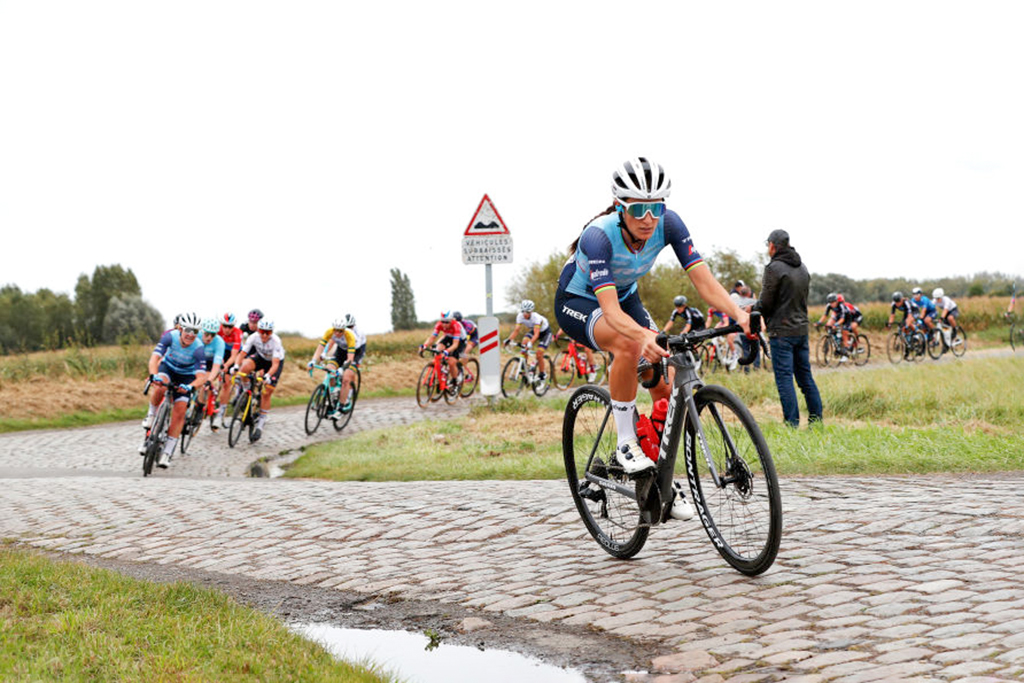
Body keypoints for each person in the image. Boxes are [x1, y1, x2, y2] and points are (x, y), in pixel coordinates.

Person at [555, 157, 750, 522]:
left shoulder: (669, 224)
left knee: (668, 384)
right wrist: (641, 335)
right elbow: (612, 315)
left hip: (625, 295)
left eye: (656, 207)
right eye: (639, 208)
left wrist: (738, 314)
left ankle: (660, 481)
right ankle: (626, 442)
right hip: (580, 301)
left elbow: (704, 281)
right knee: (629, 345)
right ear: (620, 207)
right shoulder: (597, 237)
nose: (649, 217)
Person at [755, 229, 822, 428]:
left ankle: (791, 425)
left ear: (773, 245)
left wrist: (754, 309)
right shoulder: (802, 267)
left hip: (781, 332)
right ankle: (816, 422)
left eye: (768, 245)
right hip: (801, 330)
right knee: (805, 378)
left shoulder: (774, 268)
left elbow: (766, 302)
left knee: (785, 380)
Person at [140, 312, 208, 468]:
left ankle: (167, 453)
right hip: (168, 369)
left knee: (180, 411)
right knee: (160, 385)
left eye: (195, 331)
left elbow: (201, 377)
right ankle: (151, 415)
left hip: (186, 377)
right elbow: (155, 358)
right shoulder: (170, 337)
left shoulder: (198, 348)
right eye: (188, 330)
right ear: (180, 329)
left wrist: (191, 386)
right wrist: (153, 375)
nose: (191, 335)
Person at [236, 318, 285, 441]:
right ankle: (247, 392)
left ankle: (261, 424)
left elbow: (275, 364)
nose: (264, 335)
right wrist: (236, 366)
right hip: (261, 358)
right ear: (258, 330)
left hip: (274, 363)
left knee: (266, 391)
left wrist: (268, 375)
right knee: (244, 367)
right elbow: (242, 354)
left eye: (267, 332)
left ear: (271, 332)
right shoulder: (253, 337)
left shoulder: (276, 341)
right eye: (262, 331)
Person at [309, 314, 364, 418]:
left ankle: (342, 406)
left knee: (346, 378)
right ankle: (333, 397)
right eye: (336, 330)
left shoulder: (350, 336)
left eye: (340, 331)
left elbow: (350, 359)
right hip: (340, 352)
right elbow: (321, 347)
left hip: (354, 353)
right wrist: (313, 360)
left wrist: (342, 369)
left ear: (344, 330)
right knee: (330, 370)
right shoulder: (329, 332)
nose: (338, 333)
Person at [505, 300, 553, 382]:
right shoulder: (520, 316)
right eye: (523, 311)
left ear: (531, 311)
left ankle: (542, 374)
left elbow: (536, 335)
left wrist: (531, 343)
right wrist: (509, 340)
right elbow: (516, 330)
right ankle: (525, 368)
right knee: (524, 343)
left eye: (527, 312)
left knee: (539, 353)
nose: (525, 314)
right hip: (534, 330)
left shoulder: (536, 318)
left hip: (545, 333)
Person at [421, 311, 467, 385]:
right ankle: (441, 372)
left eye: (447, 322)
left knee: (451, 362)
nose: (444, 324)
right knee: (438, 349)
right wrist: (424, 346)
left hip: (460, 341)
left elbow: (455, 345)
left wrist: (447, 351)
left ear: (451, 320)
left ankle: (455, 381)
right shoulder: (439, 324)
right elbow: (432, 338)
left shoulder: (456, 326)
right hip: (449, 337)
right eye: (443, 322)